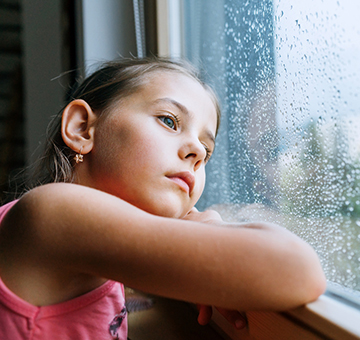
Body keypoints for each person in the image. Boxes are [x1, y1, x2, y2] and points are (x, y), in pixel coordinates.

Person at [0, 57, 326, 339]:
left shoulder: (94, 252)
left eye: (207, 151)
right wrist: (206, 229)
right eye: (169, 121)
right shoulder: (53, 213)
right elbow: (298, 269)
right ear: (83, 128)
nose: (197, 151)